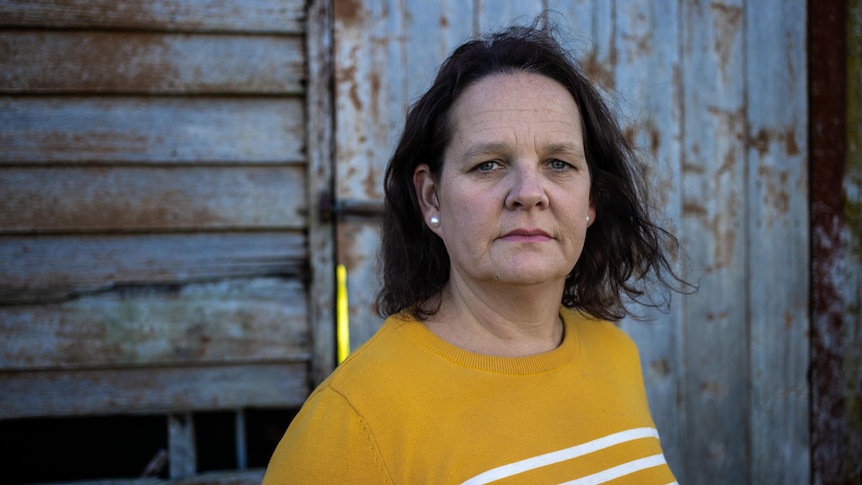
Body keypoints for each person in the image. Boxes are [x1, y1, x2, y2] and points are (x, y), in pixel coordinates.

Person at [263, 21, 690, 484]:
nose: (529, 193)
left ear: (590, 201)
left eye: (559, 164)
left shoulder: (615, 355)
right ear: (431, 198)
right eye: (488, 164)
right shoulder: (351, 426)